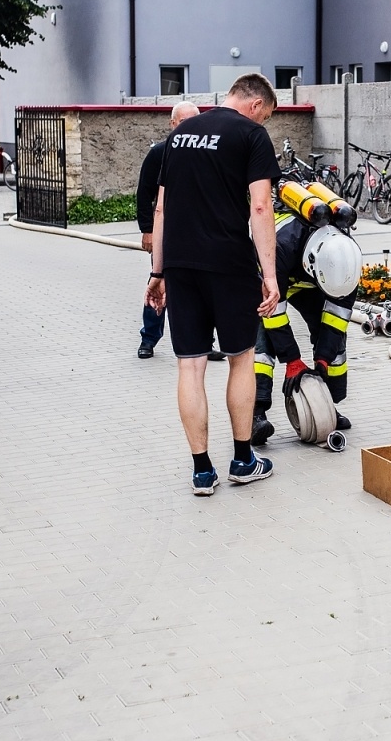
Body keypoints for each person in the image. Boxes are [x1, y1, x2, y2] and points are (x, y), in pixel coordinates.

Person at [145, 74, 281, 495]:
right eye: (269, 115)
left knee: (190, 364)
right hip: (229, 264)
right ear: (257, 105)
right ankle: (243, 460)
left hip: (182, 266)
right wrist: (270, 275)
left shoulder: (181, 132)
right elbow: (260, 206)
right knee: (241, 358)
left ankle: (202, 471)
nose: (266, 121)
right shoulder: (252, 136)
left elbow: (162, 208)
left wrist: (158, 271)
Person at [251, 216, 362, 444]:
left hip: (306, 278)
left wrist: (323, 360)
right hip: (267, 273)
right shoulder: (280, 247)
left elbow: (336, 319)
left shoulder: (346, 260)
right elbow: (274, 315)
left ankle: (328, 405)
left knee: (334, 341)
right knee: (262, 343)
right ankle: (255, 415)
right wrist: (292, 360)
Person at [136, 102, 199, 358]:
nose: (190, 127)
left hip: (198, 232)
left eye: (195, 121)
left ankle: (203, 340)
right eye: (184, 122)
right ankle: (149, 338)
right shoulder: (159, 154)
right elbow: (144, 193)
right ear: (173, 124)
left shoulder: (204, 154)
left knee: (198, 288)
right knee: (159, 281)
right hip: (167, 232)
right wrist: (148, 230)